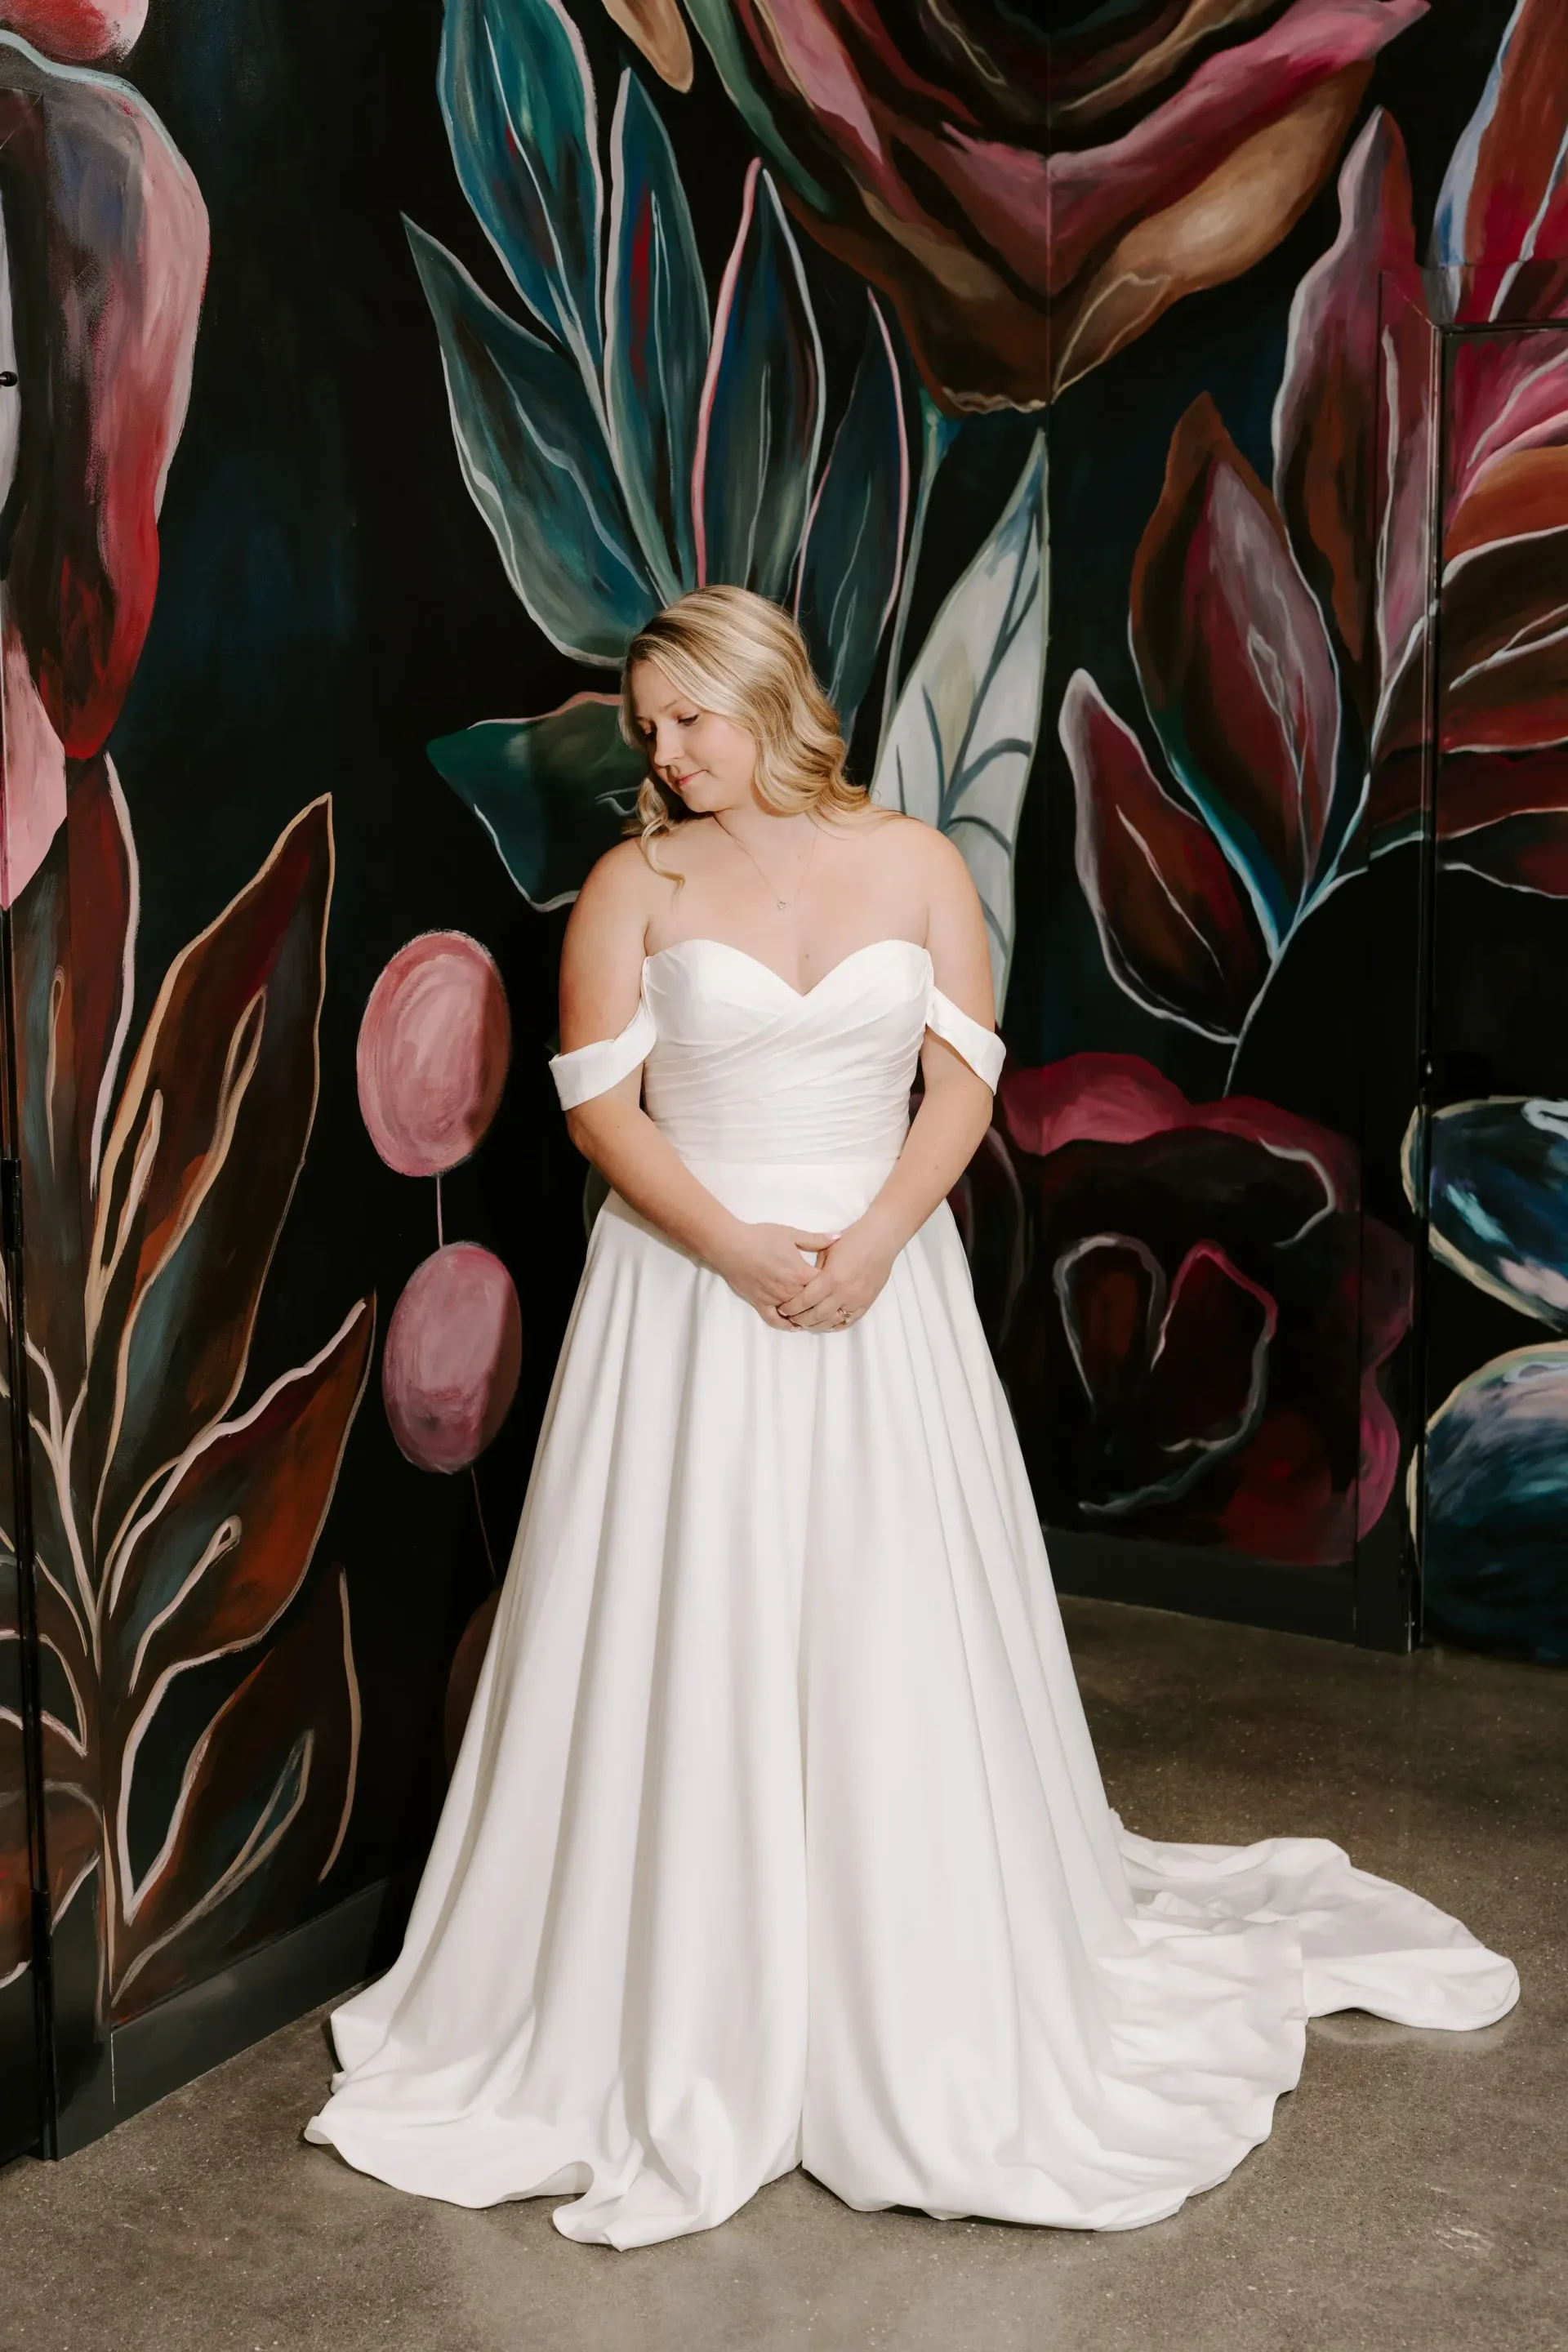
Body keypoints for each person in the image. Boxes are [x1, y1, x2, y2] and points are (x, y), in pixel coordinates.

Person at [304, 586, 1517, 2249]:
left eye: (688, 719)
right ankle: (701, 1982)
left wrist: (875, 1239)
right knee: (701, 1611)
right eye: (650, 727)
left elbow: (962, 1081)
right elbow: (599, 1111)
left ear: (767, 697)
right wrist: (736, 1248)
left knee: (884, 1609)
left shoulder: (915, 864)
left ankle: (903, 1962)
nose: (664, 753)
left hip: (883, 1286)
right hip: (690, 1293)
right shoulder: (638, 884)